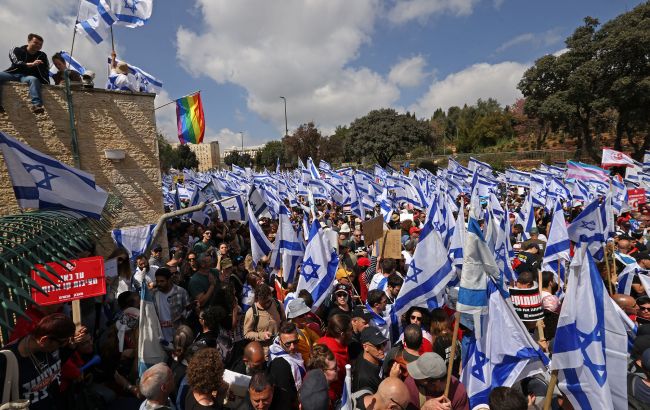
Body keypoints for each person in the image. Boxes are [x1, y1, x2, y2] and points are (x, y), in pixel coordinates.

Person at [0, 313, 88, 410]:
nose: (64, 345)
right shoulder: (7, 361)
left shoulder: (48, 348)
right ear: (44, 340)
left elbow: (55, 365)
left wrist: (71, 346)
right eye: (63, 342)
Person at [0, 33, 49, 113]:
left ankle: (36, 105)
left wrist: (46, 81)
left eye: (40, 44)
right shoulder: (16, 50)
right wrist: (30, 64)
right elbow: (15, 61)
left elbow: (45, 69)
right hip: (12, 74)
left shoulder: (42, 55)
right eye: (36, 43)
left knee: (34, 79)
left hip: (27, 77)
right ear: (29, 41)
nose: (38, 46)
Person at [404, 352, 469, 410]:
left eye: (419, 376)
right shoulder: (410, 385)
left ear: (436, 383)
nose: (415, 377)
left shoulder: (458, 392)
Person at [268, 321, 306, 409]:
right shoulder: (279, 365)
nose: (292, 347)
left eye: (295, 342)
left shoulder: (291, 352)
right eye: (288, 344)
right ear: (280, 342)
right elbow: (284, 396)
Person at [317, 314, 351, 401]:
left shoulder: (322, 340)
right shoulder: (334, 356)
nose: (352, 332)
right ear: (342, 334)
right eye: (350, 330)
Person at [153, 267, 190, 347]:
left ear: (169, 280)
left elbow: (189, 309)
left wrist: (181, 316)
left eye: (162, 281)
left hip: (178, 335)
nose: (159, 284)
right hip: (161, 337)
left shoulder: (181, 292)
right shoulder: (154, 294)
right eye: (157, 281)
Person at [244, 284, 283, 356]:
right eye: (263, 302)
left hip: (280, 350)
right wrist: (261, 335)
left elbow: (284, 322)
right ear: (257, 299)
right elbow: (246, 334)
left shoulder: (278, 305)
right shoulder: (251, 313)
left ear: (271, 295)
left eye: (268, 301)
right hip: (264, 354)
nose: (267, 304)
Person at [352, 326, 388, 393]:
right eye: (378, 346)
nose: (383, 349)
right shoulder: (364, 379)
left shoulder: (374, 357)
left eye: (384, 343)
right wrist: (392, 379)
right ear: (365, 347)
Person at [286, 298, 321, 364]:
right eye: (301, 315)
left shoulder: (303, 326)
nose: (305, 316)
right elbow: (307, 356)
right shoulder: (294, 334)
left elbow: (318, 340)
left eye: (306, 313)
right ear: (294, 317)